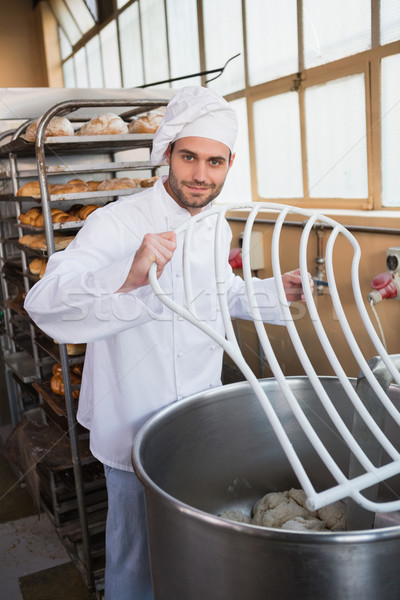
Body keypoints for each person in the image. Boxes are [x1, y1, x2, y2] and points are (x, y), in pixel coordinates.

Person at [24, 86, 312, 600]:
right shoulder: (116, 222)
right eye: (190, 157)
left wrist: (273, 293)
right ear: (167, 154)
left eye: (215, 162)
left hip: (199, 417)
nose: (201, 175)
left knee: (193, 545)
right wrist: (127, 275)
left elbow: (218, 295)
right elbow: (45, 303)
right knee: (136, 552)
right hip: (133, 418)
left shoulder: (215, 225)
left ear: (230, 164)